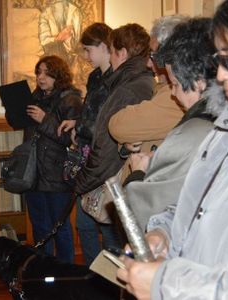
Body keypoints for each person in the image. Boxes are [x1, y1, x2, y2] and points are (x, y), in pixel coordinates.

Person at [118, 0, 228, 298]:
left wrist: (166, 284)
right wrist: (166, 233)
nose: (221, 75)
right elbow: (202, 206)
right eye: (219, 60)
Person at [117, 18, 217, 232]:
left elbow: (136, 217)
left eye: (177, 85)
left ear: (199, 81)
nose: (173, 93)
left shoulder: (194, 131)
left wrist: (139, 173)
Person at [73, 23, 154, 253]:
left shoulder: (129, 88)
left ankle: (98, 287)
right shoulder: (131, 82)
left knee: (112, 243)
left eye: (112, 50)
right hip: (107, 171)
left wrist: (83, 181)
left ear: (122, 53)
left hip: (110, 175)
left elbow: (107, 142)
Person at [56, 22, 114, 266]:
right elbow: (92, 114)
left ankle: (113, 280)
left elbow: (107, 120)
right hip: (87, 156)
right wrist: (77, 122)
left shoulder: (117, 78)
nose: (86, 56)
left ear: (103, 46)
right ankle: (95, 275)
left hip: (105, 159)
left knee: (108, 226)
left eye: (89, 50)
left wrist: (80, 126)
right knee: (84, 223)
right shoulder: (95, 77)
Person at [25, 55, 82, 263]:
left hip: (58, 173)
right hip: (33, 173)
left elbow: (71, 139)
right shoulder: (35, 97)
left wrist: (44, 119)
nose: (41, 78)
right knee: (40, 226)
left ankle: (65, 273)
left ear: (58, 75)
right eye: (38, 72)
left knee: (60, 227)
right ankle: (44, 270)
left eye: (47, 73)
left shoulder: (71, 99)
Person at [109, 15, 187, 155]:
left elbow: (117, 125)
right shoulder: (163, 87)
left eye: (153, 57)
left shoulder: (174, 95)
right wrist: (125, 145)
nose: (149, 64)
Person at [38, 0, 82, 65]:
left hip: (69, 55)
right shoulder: (45, 14)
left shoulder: (75, 12)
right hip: (52, 52)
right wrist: (58, 38)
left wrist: (59, 39)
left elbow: (76, 40)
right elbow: (43, 40)